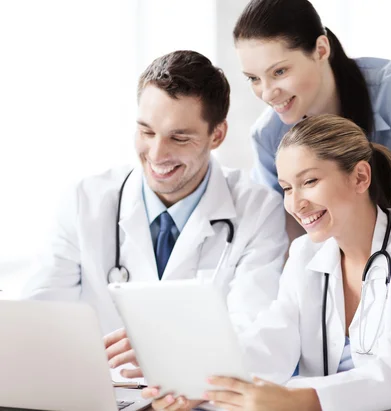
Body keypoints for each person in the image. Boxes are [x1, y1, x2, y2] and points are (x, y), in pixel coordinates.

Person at [144, 114, 391, 411]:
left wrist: (300, 399)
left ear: (360, 177)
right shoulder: (305, 254)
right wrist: (202, 382)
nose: (295, 203)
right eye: (286, 188)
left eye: (309, 182)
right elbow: (273, 340)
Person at [23, 50, 287, 351]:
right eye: (146, 131)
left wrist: (165, 351)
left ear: (217, 135)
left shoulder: (258, 209)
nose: (157, 154)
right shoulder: (84, 202)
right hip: (104, 390)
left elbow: (252, 333)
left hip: (204, 391)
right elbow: (39, 321)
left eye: (180, 138)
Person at [233, 0, 391, 237]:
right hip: (332, 269)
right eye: (253, 79)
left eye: (279, 72)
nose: (266, 93)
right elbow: (277, 232)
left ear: (321, 50)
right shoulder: (268, 136)